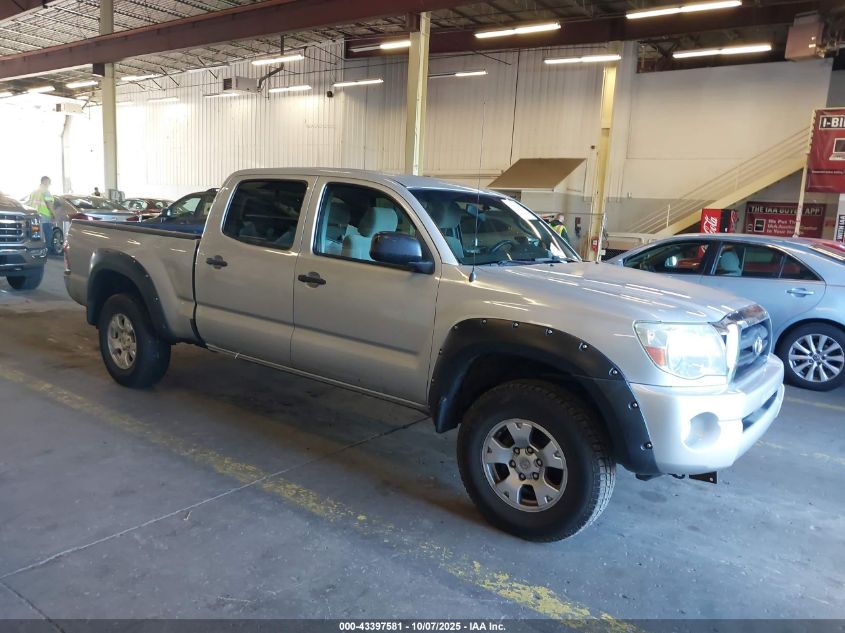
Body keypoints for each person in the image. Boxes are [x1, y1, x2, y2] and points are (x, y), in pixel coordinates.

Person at [27, 176, 55, 252]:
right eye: (49, 182)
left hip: (35, 216)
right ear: (45, 181)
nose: (49, 184)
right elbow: (49, 203)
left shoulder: (34, 191)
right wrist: (53, 214)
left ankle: (36, 249)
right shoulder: (46, 191)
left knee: (36, 232)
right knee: (48, 233)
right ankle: (48, 249)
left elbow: (29, 204)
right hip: (44, 215)